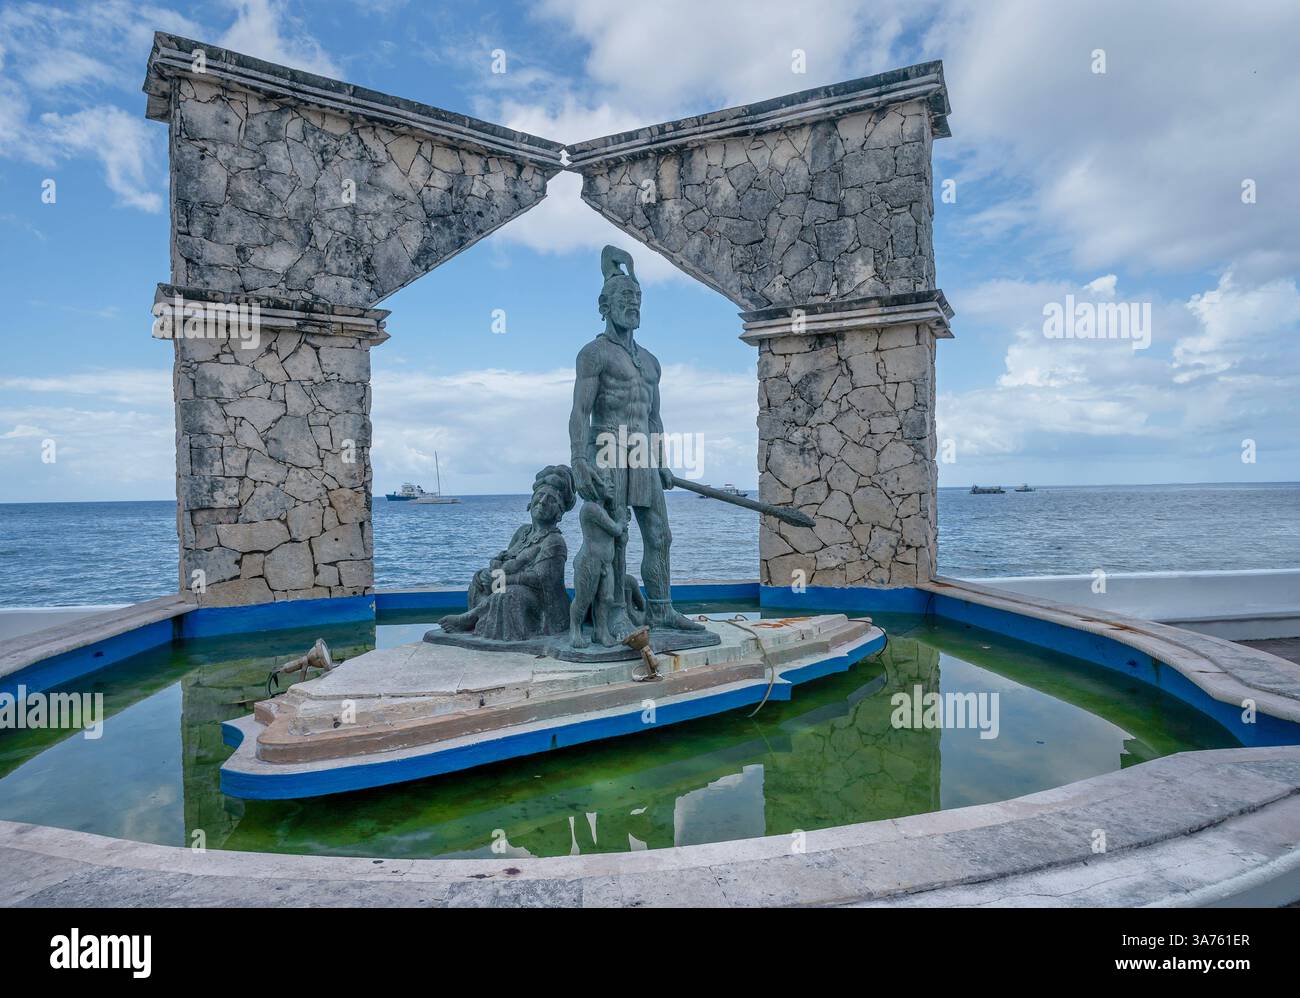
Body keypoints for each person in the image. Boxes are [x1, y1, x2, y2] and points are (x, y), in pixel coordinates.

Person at [568, 246, 705, 638]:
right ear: (604, 304)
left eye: (637, 299)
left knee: (660, 533)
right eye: (625, 298)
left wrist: (661, 459)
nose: (633, 305)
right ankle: (613, 613)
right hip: (607, 444)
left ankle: (661, 610)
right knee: (616, 537)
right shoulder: (592, 354)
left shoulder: (651, 360)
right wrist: (579, 459)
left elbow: (655, 416)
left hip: (643, 449)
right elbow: (580, 411)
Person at [439, 465, 574, 641]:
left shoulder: (554, 542)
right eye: (540, 496)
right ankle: (478, 621)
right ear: (530, 502)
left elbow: (540, 580)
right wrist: (493, 568)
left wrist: (501, 578)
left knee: (509, 594)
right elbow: (507, 555)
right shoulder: (523, 532)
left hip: (543, 604)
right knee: (479, 579)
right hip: (512, 584)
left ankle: (470, 618)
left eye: (550, 500)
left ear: (559, 513)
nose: (542, 502)